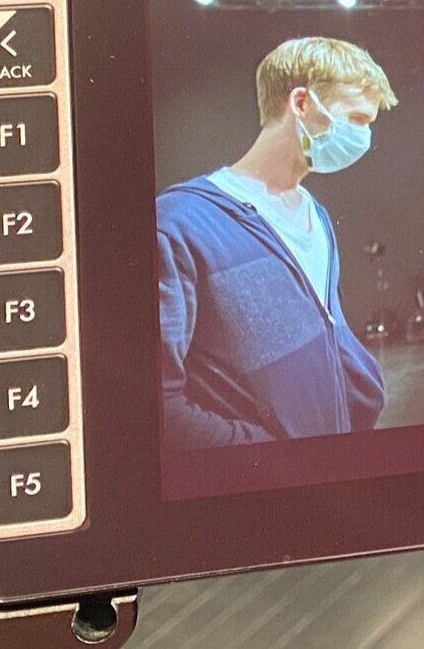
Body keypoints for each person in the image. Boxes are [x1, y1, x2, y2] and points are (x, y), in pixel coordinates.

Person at [157, 37, 398, 449]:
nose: (364, 137)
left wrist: (360, 388)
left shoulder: (314, 214)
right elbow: (158, 406)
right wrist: (267, 456)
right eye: (357, 119)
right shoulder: (179, 225)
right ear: (301, 103)